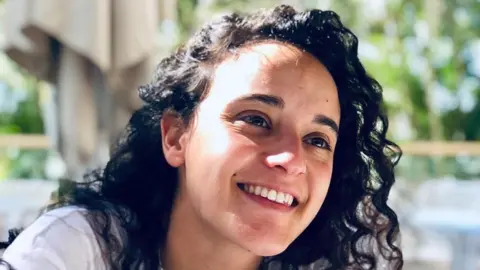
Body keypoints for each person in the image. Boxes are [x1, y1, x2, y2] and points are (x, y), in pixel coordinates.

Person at [0, 5, 403, 270]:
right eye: (256, 119)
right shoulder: (76, 250)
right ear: (176, 136)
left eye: (317, 140)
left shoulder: (335, 262)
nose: (290, 158)